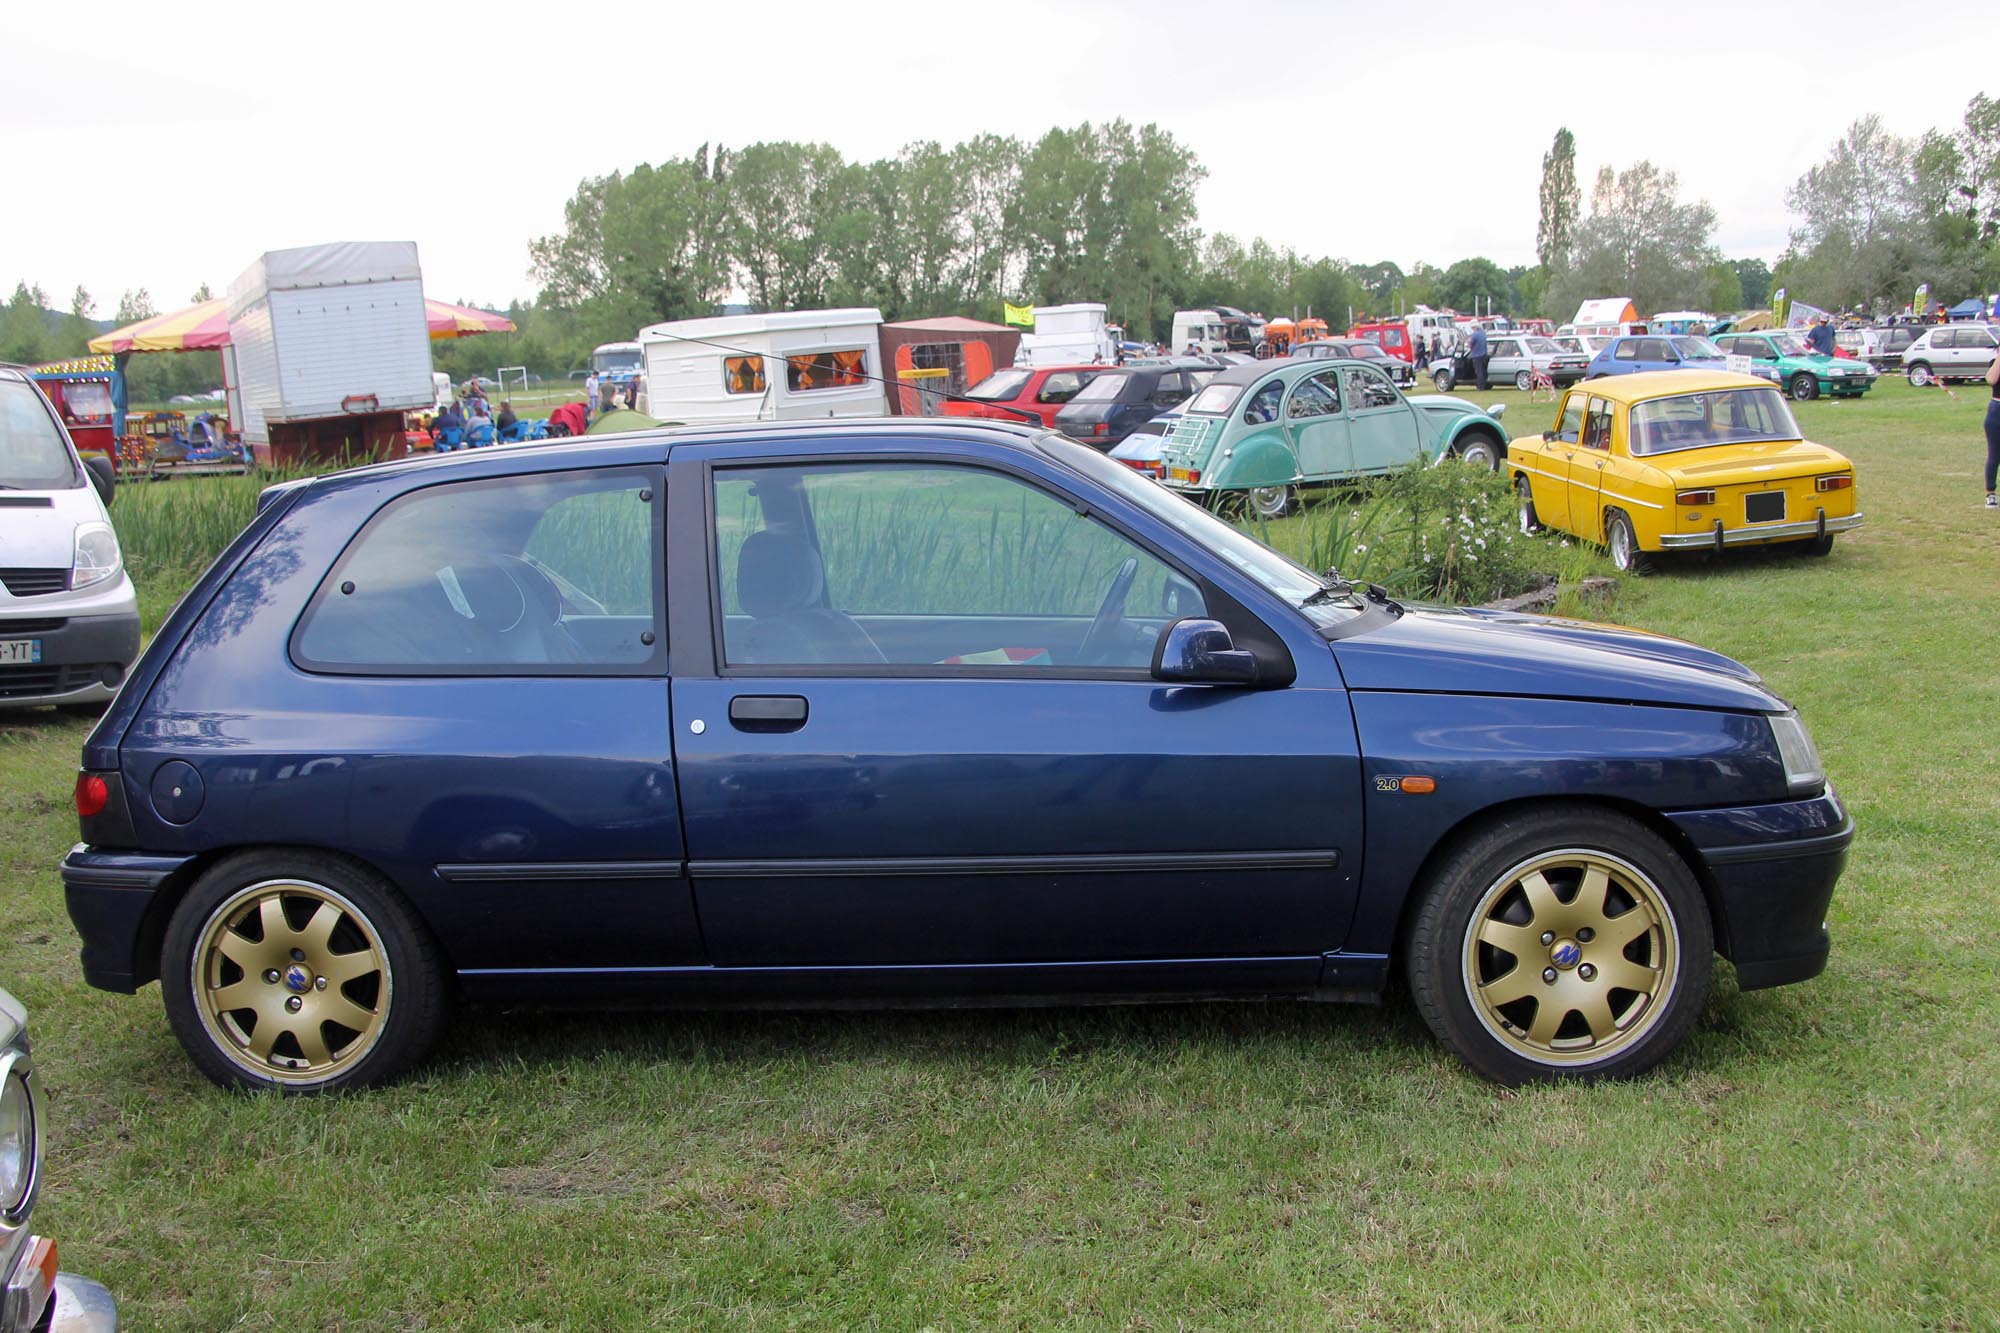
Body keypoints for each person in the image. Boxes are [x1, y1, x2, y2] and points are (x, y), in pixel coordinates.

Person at [1984, 351, 1999, 509]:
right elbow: (1991, 379)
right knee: (1994, 456)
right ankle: (1990, 494)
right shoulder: (1994, 363)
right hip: (1997, 410)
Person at [1468, 323, 1489, 391]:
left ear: (1474, 327)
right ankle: (1484, 385)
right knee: (1483, 371)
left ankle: (1480, 386)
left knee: (1478, 371)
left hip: (1477, 355)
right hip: (1484, 354)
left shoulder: (1475, 334)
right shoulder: (1483, 333)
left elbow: (1471, 344)